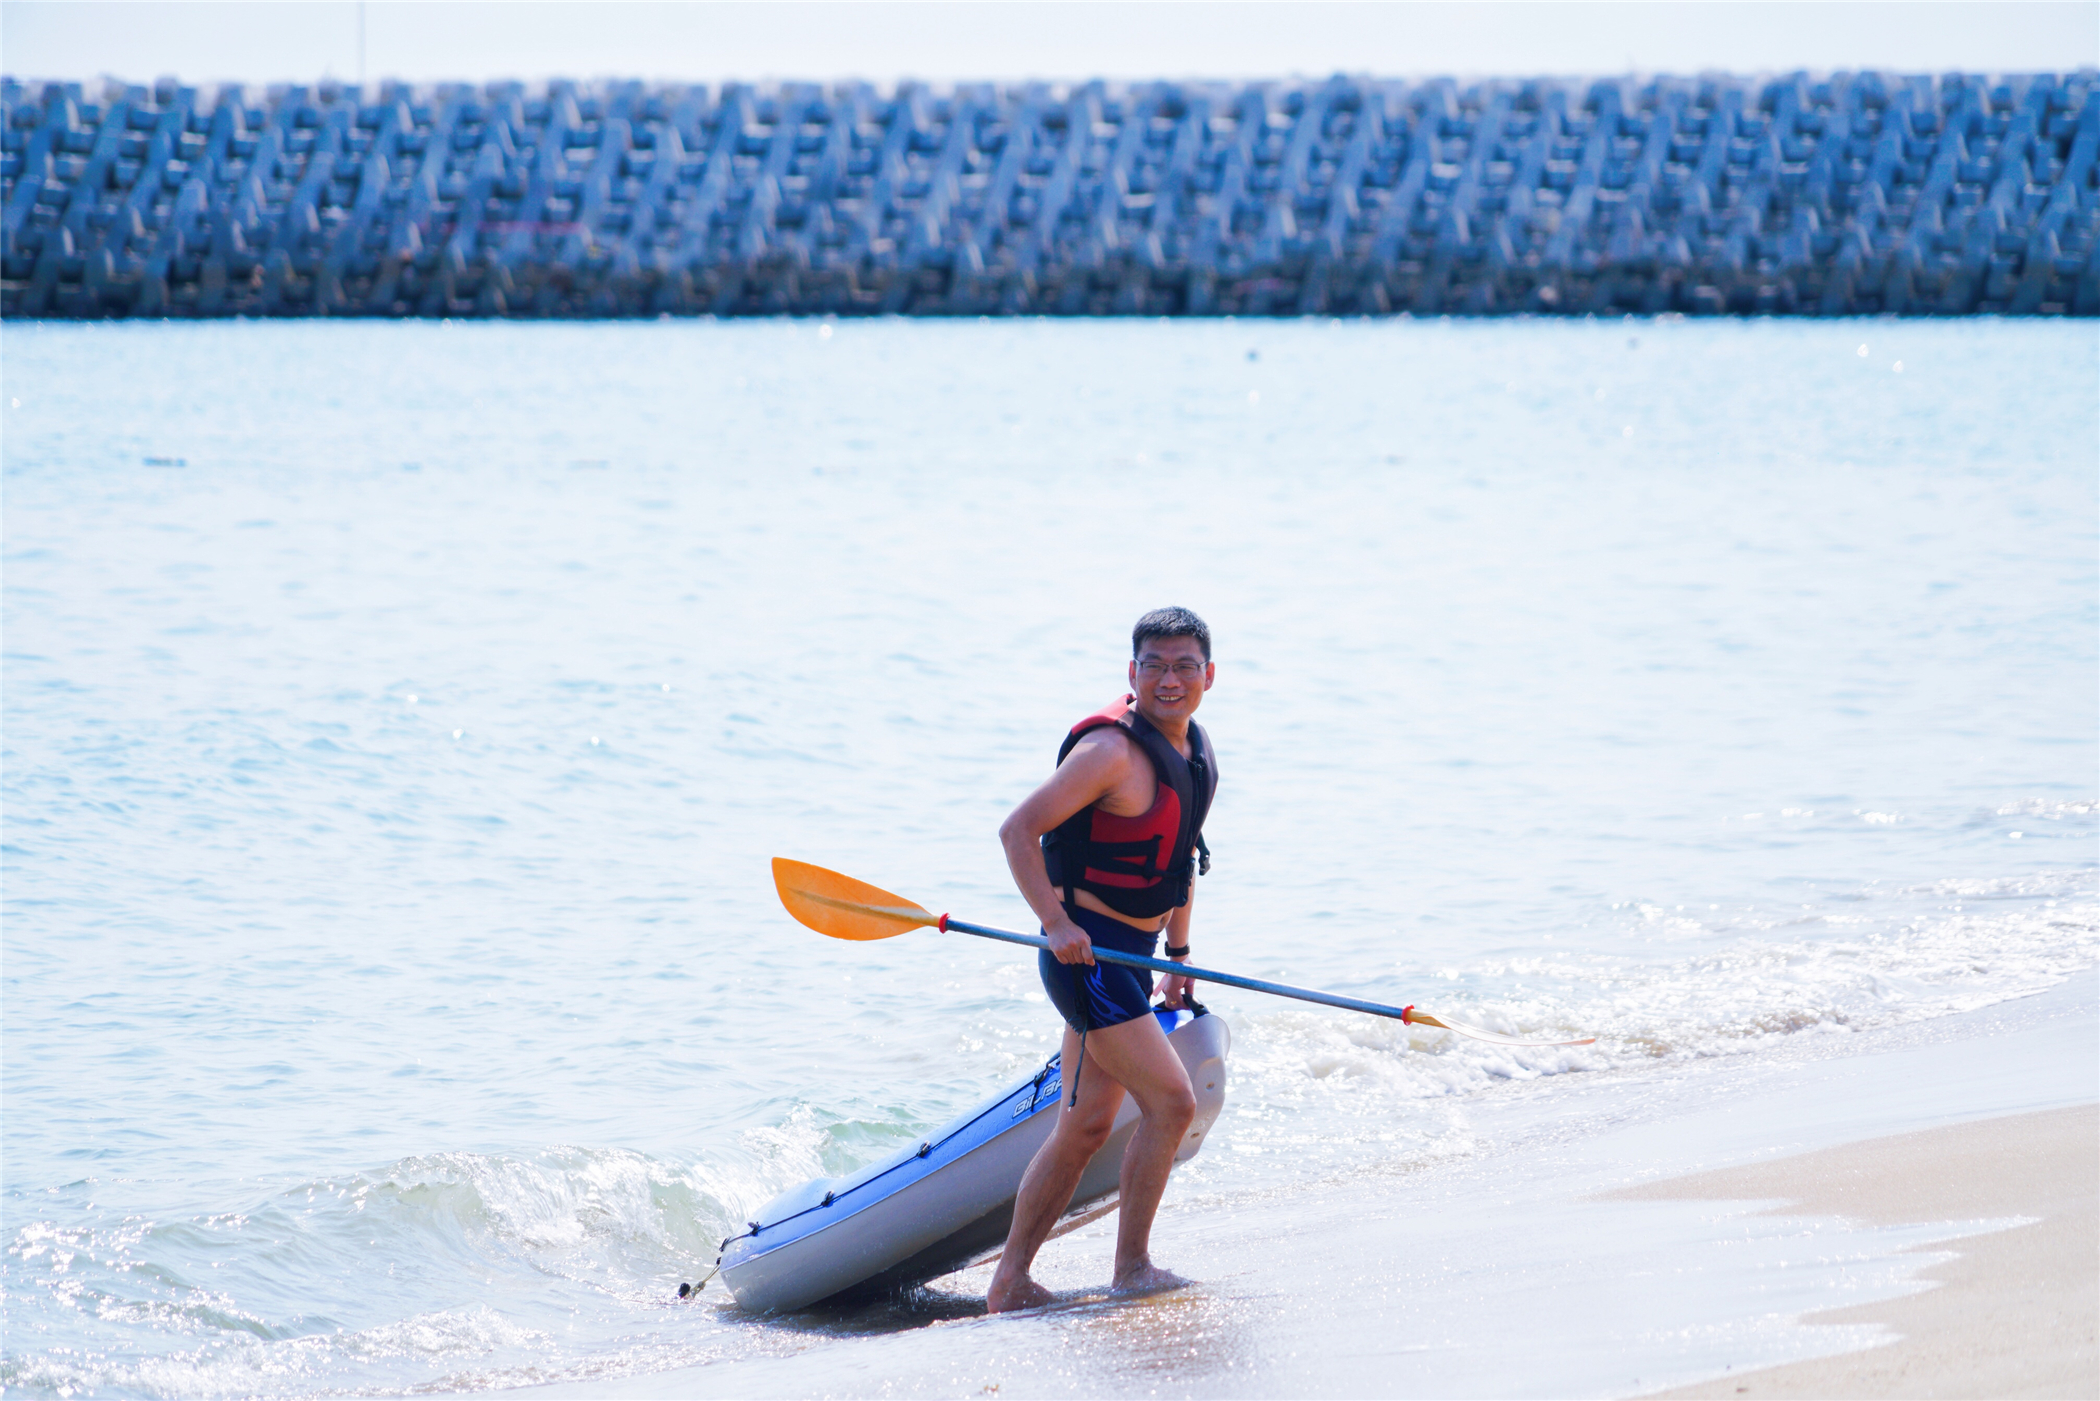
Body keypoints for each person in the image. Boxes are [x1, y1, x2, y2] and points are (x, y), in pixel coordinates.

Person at [985, 606, 1219, 1312]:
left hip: (1134, 959)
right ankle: (1132, 1267)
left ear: (1209, 675)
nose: (1169, 679)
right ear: (1132, 672)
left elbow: (1180, 863)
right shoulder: (1111, 754)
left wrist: (1178, 953)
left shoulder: (1195, 752)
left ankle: (1010, 1281)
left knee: (1085, 1126)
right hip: (1087, 960)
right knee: (1173, 1101)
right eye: (1154, 664)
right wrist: (1053, 922)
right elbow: (1017, 830)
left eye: (1184, 665)